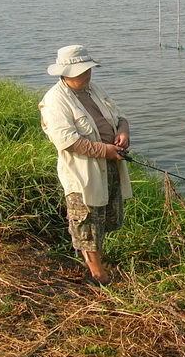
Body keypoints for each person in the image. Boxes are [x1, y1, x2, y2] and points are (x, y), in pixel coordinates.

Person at [39, 44, 132, 285]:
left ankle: (98, 261)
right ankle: (98, 274)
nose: (87, 75)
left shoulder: (95, 90)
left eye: (88, 70)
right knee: (87, 222)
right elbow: (66, 140)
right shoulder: (54, 100)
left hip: (109, 164)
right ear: (66, 73)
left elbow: (120, 117)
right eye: (81, 72)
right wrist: (105, 150)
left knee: (104, 217)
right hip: (83, 172)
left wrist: (123, 132)